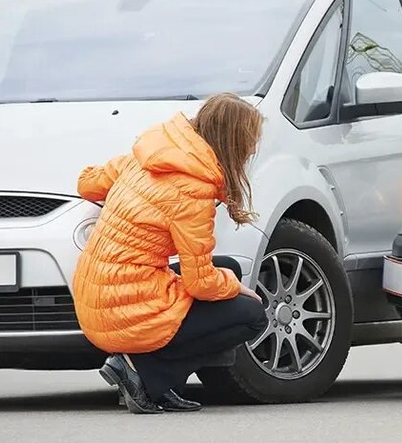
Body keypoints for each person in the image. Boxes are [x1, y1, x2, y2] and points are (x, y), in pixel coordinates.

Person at [71, 92, 269, 414]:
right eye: (251, 142)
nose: (253, 150)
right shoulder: (194, 190)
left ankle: (155, 380)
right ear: (233, 142)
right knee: (251, 315)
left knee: (228, 265)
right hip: (123, 307)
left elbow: (87, 183)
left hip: (95, 290)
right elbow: (200, 283)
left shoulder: (152, 154)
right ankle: (144, 373)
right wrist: (235, 286)